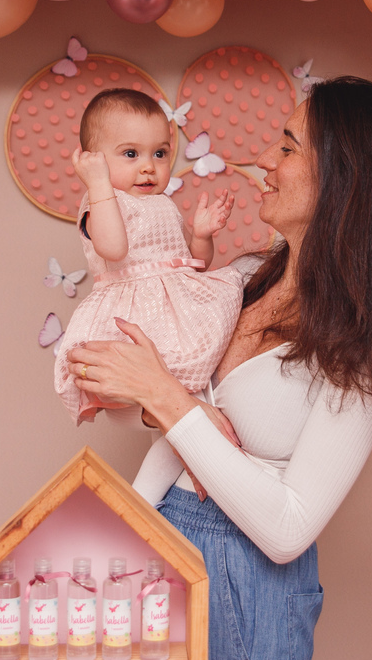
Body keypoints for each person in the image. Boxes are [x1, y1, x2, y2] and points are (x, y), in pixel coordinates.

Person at [66, 77, 372, 660]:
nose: (263, 160)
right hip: (156, 533)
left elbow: (289, 531)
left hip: (243, 583)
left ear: (347, 179)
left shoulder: (364, 349)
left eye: (287, 147)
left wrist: (169, 399)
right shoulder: (238, 282)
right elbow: (156, 384)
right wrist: (166, 404)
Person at [55, 88, 244, 424]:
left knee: (185, 398)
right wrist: (97, 184)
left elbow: (196, 262)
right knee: (159, 408)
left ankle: (194, 450)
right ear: (92, 159)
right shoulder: (100, 202)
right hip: (134, 316)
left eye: (159, 153)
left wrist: (201, 235)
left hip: (176, 308)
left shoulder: (163, 205)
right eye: (130, 154)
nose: (148, 167)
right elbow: (114, 248)